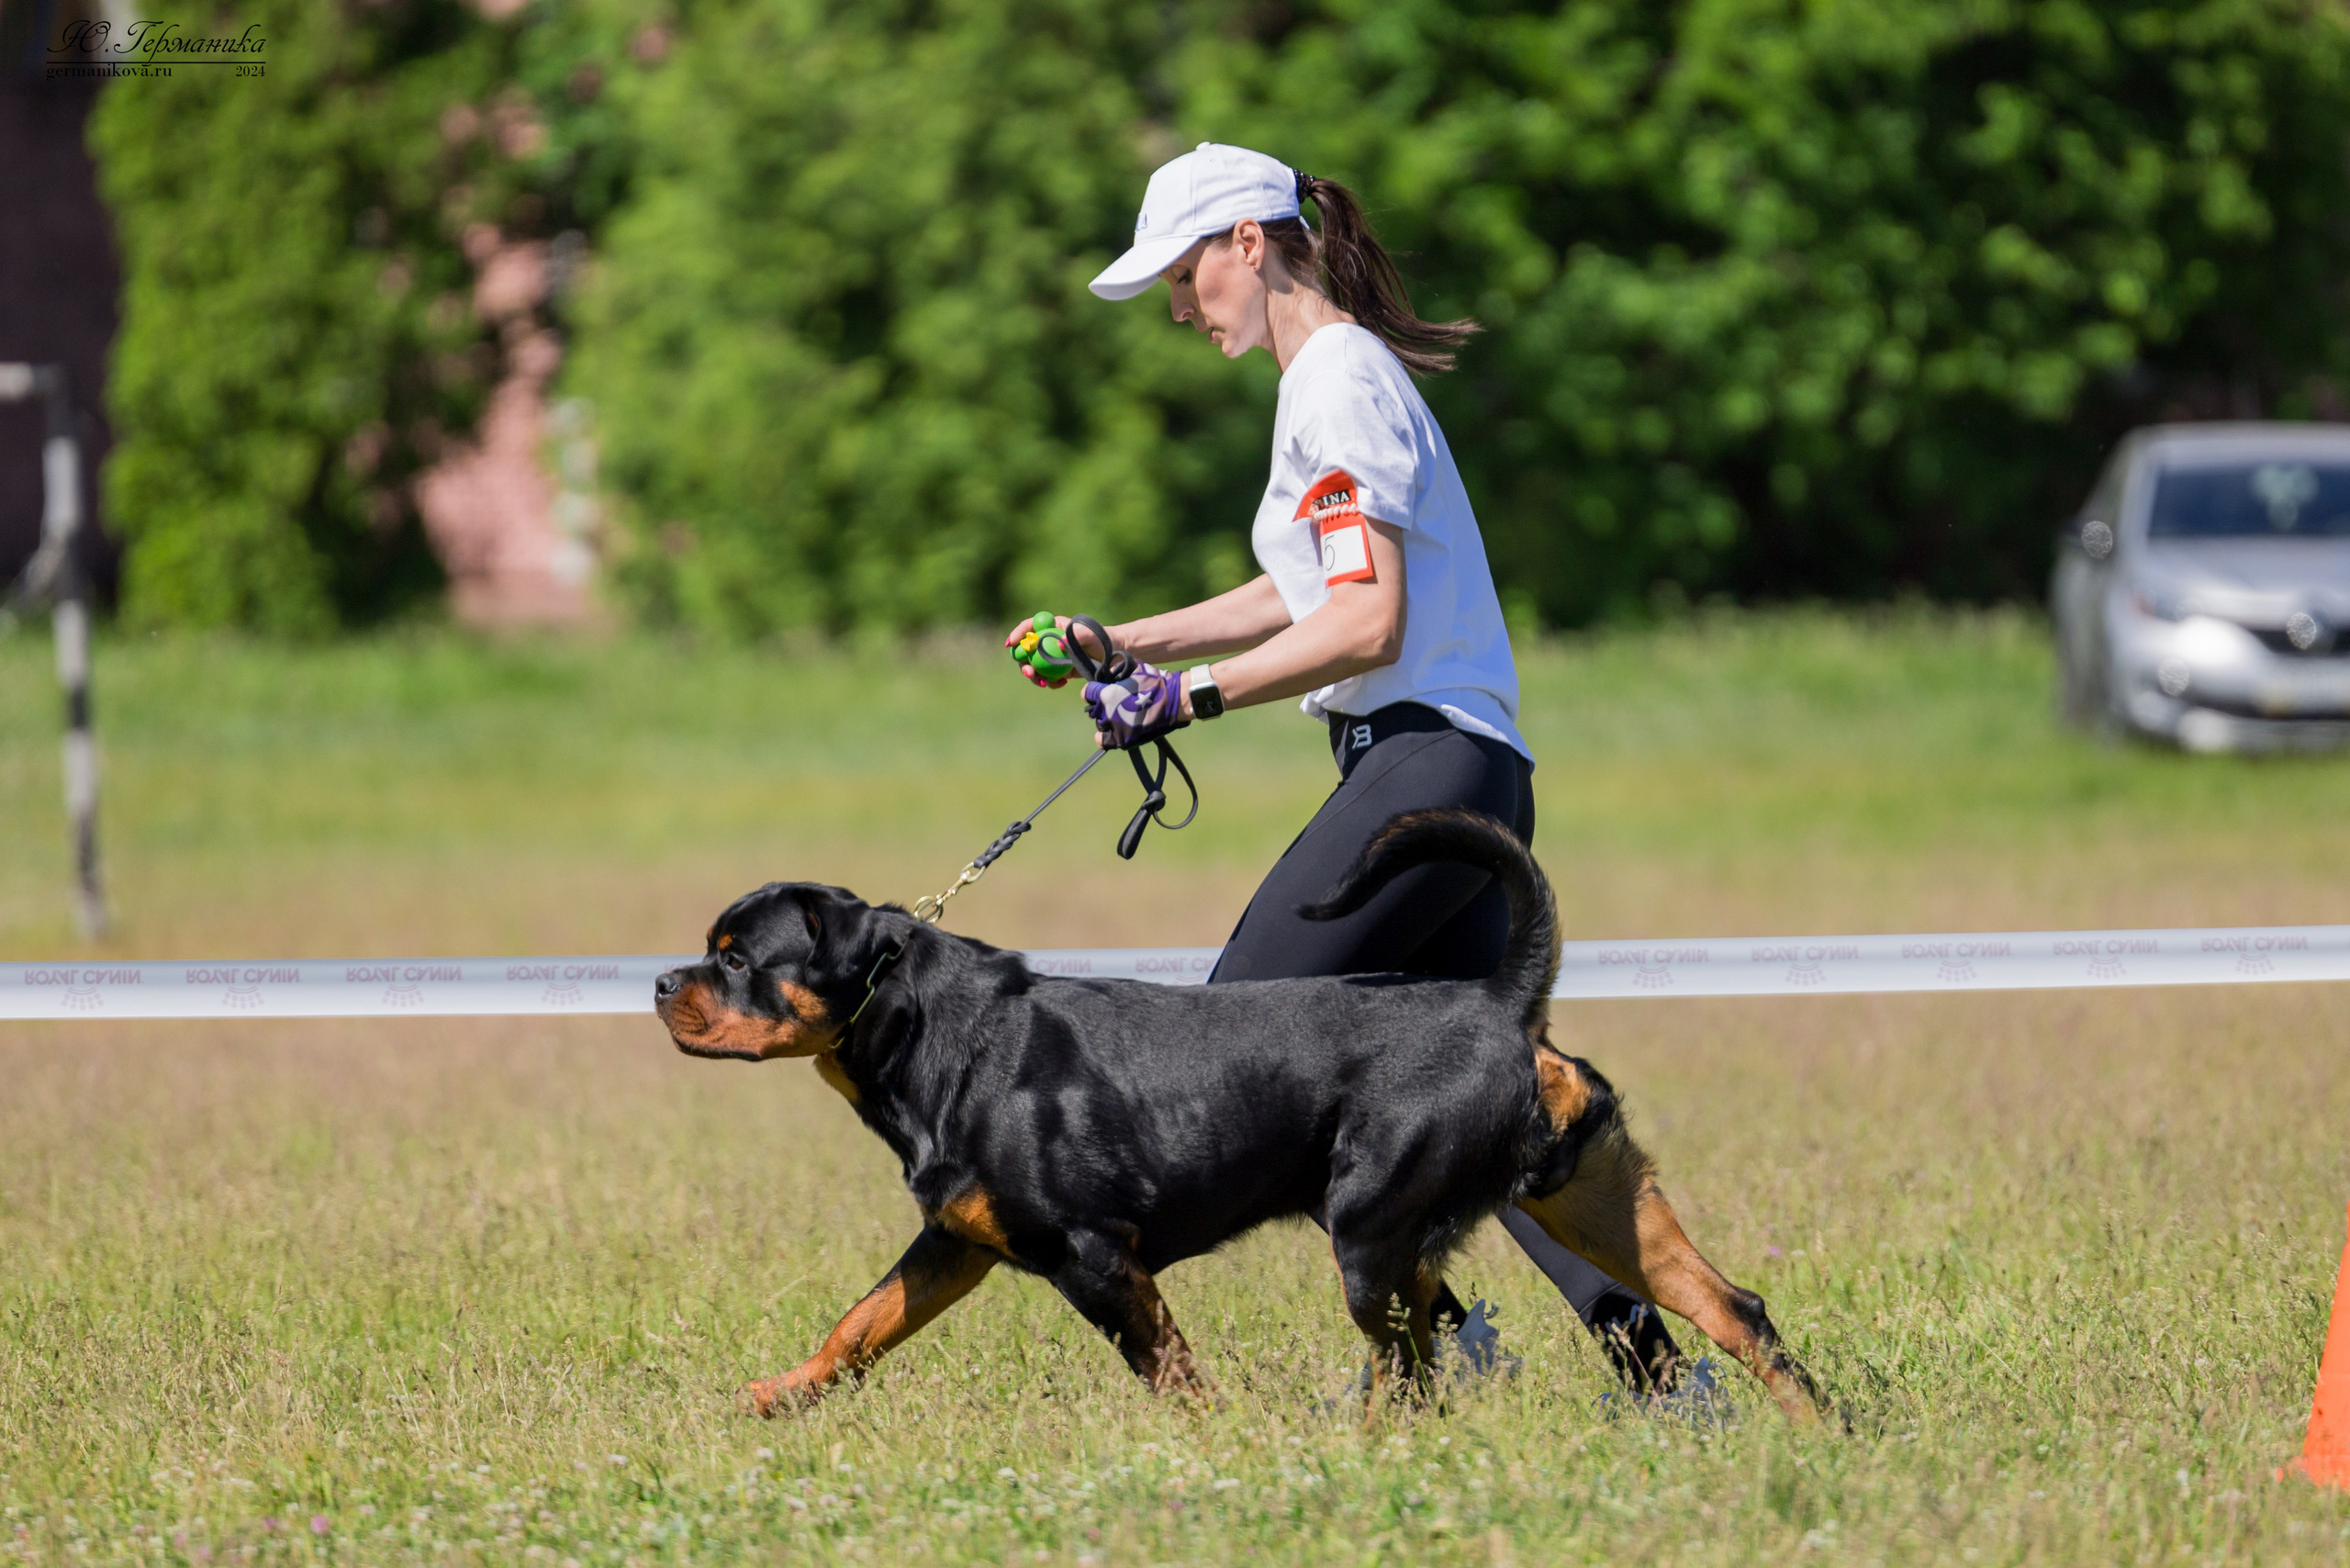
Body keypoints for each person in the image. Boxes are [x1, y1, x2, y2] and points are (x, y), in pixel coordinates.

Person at [1013, 142, 1700, 1399]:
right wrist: (1130, 641)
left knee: (1238, 1049)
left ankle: (1444, 1351)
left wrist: (1187, 696)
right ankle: (1661, 1380)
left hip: (1425, 767)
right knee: (1477, 1113)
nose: (1177, 305)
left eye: (1182, 274)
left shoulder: (1332, 381)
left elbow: (1363, 623)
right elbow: (1302, 588)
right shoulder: (1333, 380)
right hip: (1467, 770)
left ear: (1246, 244)